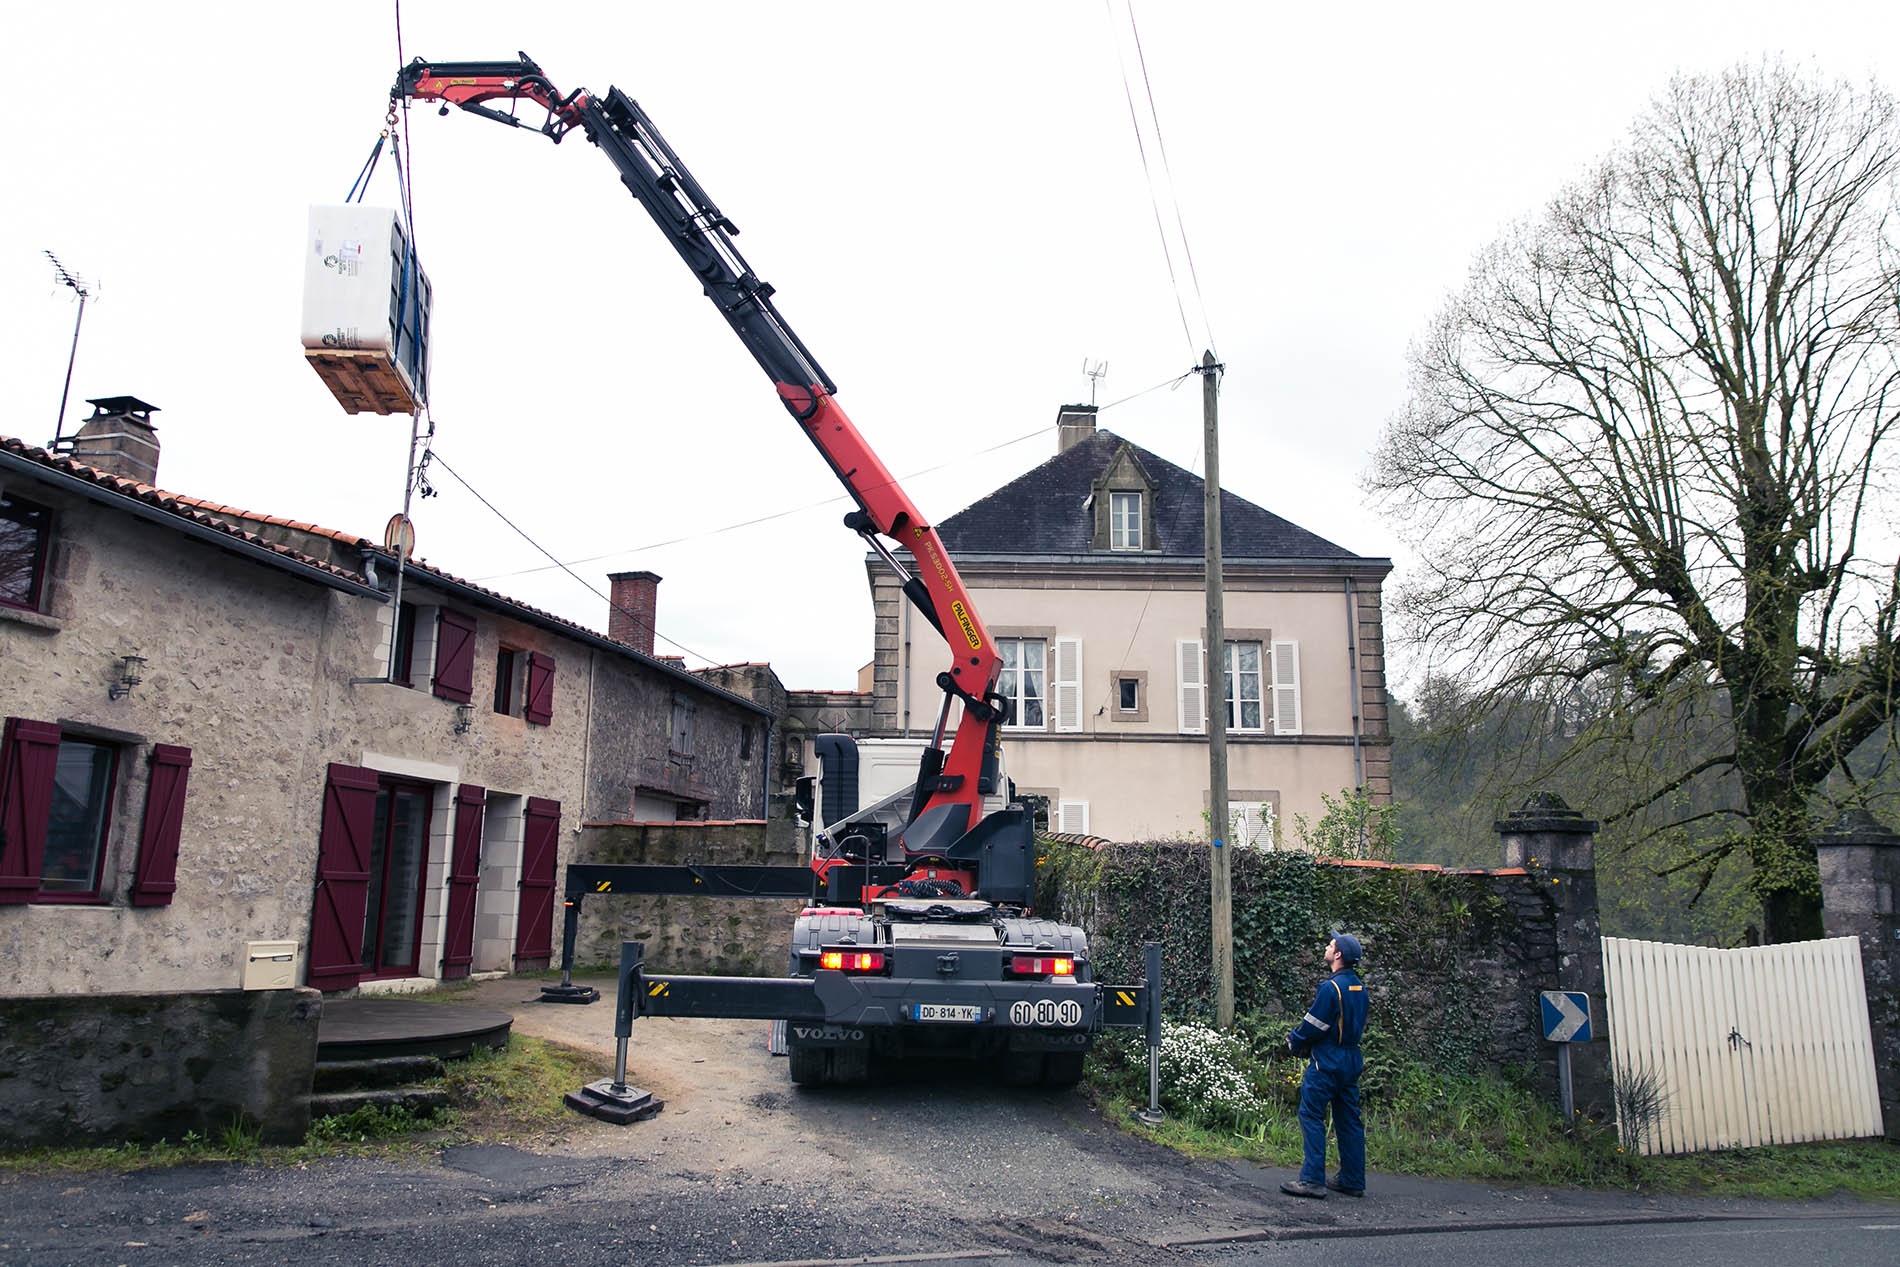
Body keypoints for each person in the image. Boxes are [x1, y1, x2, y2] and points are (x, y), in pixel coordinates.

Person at [1279, 931, 1368, 1199]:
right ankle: (1352, 1180)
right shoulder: (1359, 987)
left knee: (1311, 1115)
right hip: (1351, 1058)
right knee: (1349, 1120)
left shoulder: (1331, 989)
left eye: (1331, 945)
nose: (1327, 947)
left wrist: (1294, 1041)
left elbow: (1313, 1025)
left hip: (1328, 1060)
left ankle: (1312, 1179)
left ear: (1338, 955)